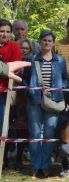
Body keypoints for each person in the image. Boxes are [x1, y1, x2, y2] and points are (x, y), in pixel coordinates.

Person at [22, 30, 68, 178]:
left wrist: (60, 89)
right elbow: (24, 78)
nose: (47, 43)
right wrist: (29, 91)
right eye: (44, 40)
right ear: (40, 42)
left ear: (53, 43)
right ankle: (35, 166)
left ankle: (45, 165)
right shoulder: (32, 59)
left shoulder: (60, 60)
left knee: (48, 134)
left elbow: (65, 78)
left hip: (53, 101)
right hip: (34, 101)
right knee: (35, 133)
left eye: (49, 40)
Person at [8, 39, 35, 171]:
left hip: (25, 100)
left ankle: (19, 160)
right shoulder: (13, 62)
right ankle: (5, 159)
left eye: (26, 48)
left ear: (30, 50)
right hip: (10, 98)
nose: (24, 50)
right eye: (21, 48)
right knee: (7, 128)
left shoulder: (32, 63)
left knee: (22, 131)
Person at [0, 19, 23, 157]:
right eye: (2, 31)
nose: (4, 34)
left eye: (7, 32)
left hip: (3, 92)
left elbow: (15, 68)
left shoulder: (14, 46)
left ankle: (1, 158)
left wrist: (6, 69)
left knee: (3, 128)